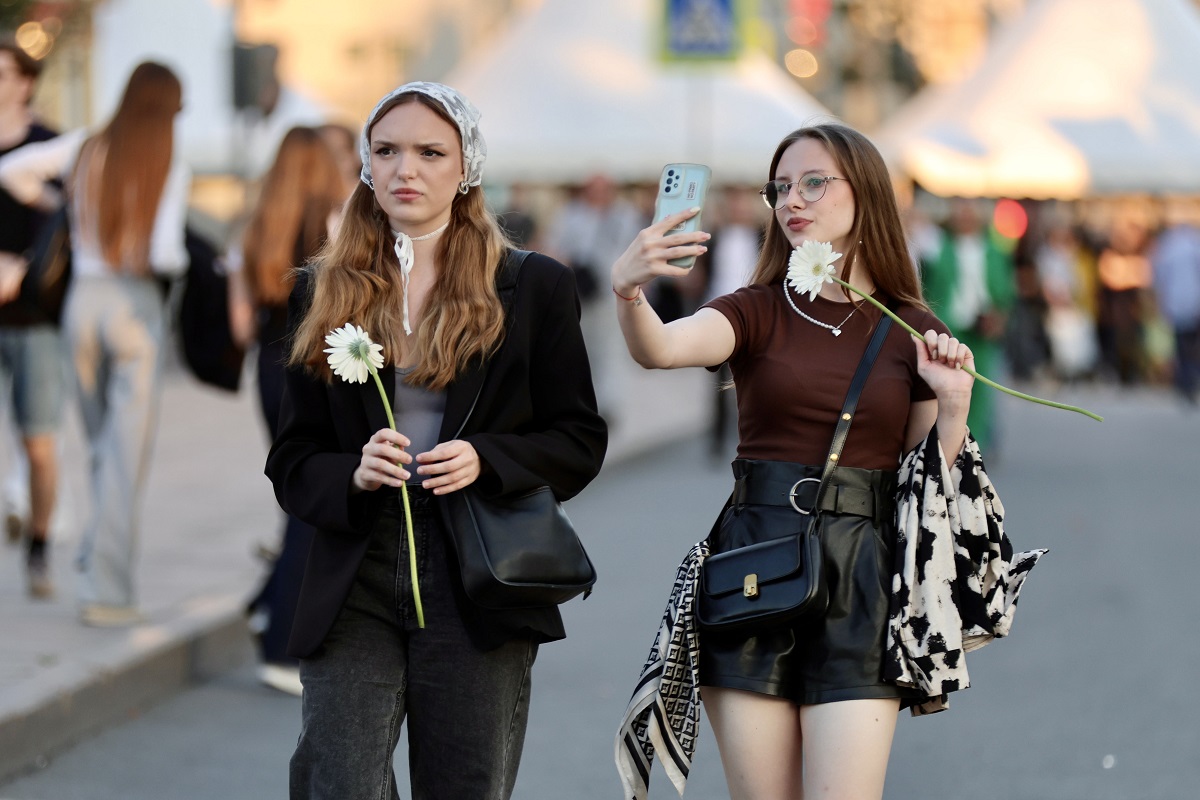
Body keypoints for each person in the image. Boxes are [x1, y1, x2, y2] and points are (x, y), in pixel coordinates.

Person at [610, 123, 982, 800]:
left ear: (864, 193)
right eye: (780, 187)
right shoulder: (757, 309)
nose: (792, 200)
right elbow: (660, 349)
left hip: (862, 583)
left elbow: (927, 489)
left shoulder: (913, 328)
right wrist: (630, 293)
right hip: (753, 566)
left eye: (813, 182)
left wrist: (953, 407)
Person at [265, 81, 606, 798]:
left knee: (463, 784)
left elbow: (577, 439)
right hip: (358, 567)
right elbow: (292, 459)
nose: (404, 170)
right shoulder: (321, 289)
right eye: (385, 151)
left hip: (475, 570)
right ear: (365, 166)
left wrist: (488, 458)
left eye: (429, 152)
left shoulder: (533, 286)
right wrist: (354, 474)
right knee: (338, 780)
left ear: (466, 168)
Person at [0, 62, 190, 626]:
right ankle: (107, 592)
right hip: (134, 304)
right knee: (124, 455)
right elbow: (166, 254)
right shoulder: (165, 156)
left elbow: (13, 171)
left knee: (103, 445)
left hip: (81, 302)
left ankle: (89, 556)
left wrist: (62, 207)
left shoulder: (85, 146)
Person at [226, 126, 346, 695]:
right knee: (309, 505)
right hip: (312, 369)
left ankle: (263, 604)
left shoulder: (258, 224)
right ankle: (280, 648)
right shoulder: (334, 223)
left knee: (296, 491)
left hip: (265, 370)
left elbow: (240, 325)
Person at [0, 39, 62, 598]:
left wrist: (21, 267)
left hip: (35, 318)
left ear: (26, 82)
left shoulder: (50, 146)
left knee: (38, 442)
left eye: (3, 74)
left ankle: (39, 549)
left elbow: (69, 226)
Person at [921, 198, 1015, 452]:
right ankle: (950, 443)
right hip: (949, 325)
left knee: (982, 389)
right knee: (945, 390)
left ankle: (977, 445)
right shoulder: (938, 246)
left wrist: (999, 316)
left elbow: (1005, 290)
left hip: (982, 326)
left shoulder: (994, 250)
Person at [1150, 203, 1200, 404]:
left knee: (1181, 344)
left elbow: (1157, 275)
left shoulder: (1166, 244)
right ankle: (1190, 379)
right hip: (1193, 301)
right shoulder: (1194, 243)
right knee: (1192, 344)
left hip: (1176, 302)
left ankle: (1184, 381)